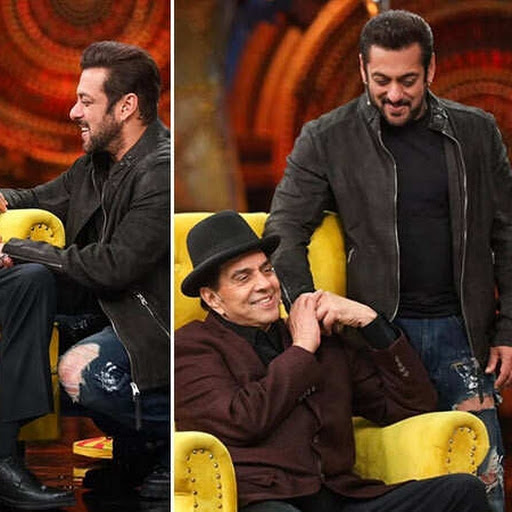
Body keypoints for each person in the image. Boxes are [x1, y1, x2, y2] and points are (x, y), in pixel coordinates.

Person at [264, 9, 512, 511]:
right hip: (377, 341)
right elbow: (283, 230)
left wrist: (509, 327)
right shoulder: (326, 137)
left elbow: (506, 234)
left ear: (431, 69)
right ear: (362, 70)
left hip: (463, 334)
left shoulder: (476, 132)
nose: (394, 94)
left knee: (483, 485)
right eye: (381, 81)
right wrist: (306, 308)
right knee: (401, 485)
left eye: (408, 81)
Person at [174, 210, 491, 512]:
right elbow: (242, 421)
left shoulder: (320, 336)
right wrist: (302, 349)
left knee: (463, 491)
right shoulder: (191, 348)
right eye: (243, 277)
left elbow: (411, 406)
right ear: (212, 298)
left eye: (267, 269)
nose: (265, 284)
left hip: (341, 496)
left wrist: (371, 323)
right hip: (265, 500)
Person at [0, 40, 170, 502]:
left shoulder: (161, 170)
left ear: (126, 106)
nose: (74, 112)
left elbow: (115, 266)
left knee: (84, 373)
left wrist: (14, 247)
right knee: (29, 285)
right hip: (104, 312)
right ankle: (6, 456)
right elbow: (35, 198)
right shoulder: (95, 164)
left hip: (149, 322)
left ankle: (163, 445)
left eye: (86, 101)